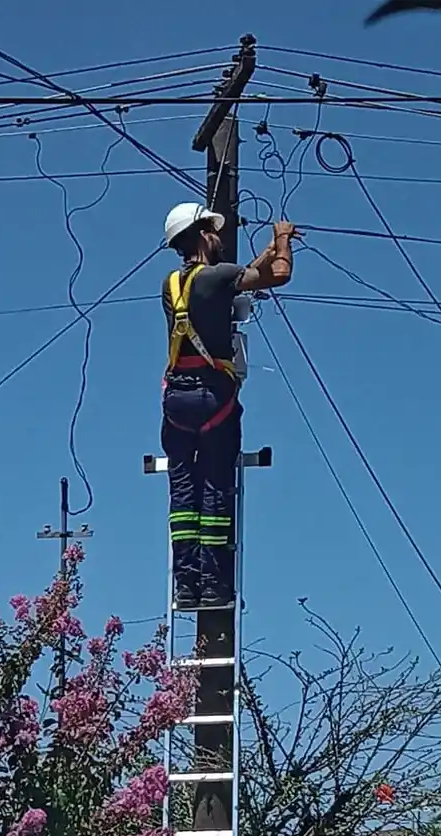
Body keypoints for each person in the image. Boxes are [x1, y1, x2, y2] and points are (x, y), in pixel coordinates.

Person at [160, 203, 297, 609]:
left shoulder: (172, 284)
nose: (219, 237)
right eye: (213, 231)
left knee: (183, 493)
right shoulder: (218, 276)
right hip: (212, 397)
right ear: (203, 235)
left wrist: (266, 250)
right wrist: (283, 240)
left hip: (176, 400)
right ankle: (214, 585)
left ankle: (186, 585)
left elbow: (239, 279)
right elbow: (279, 275)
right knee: (215, 487)